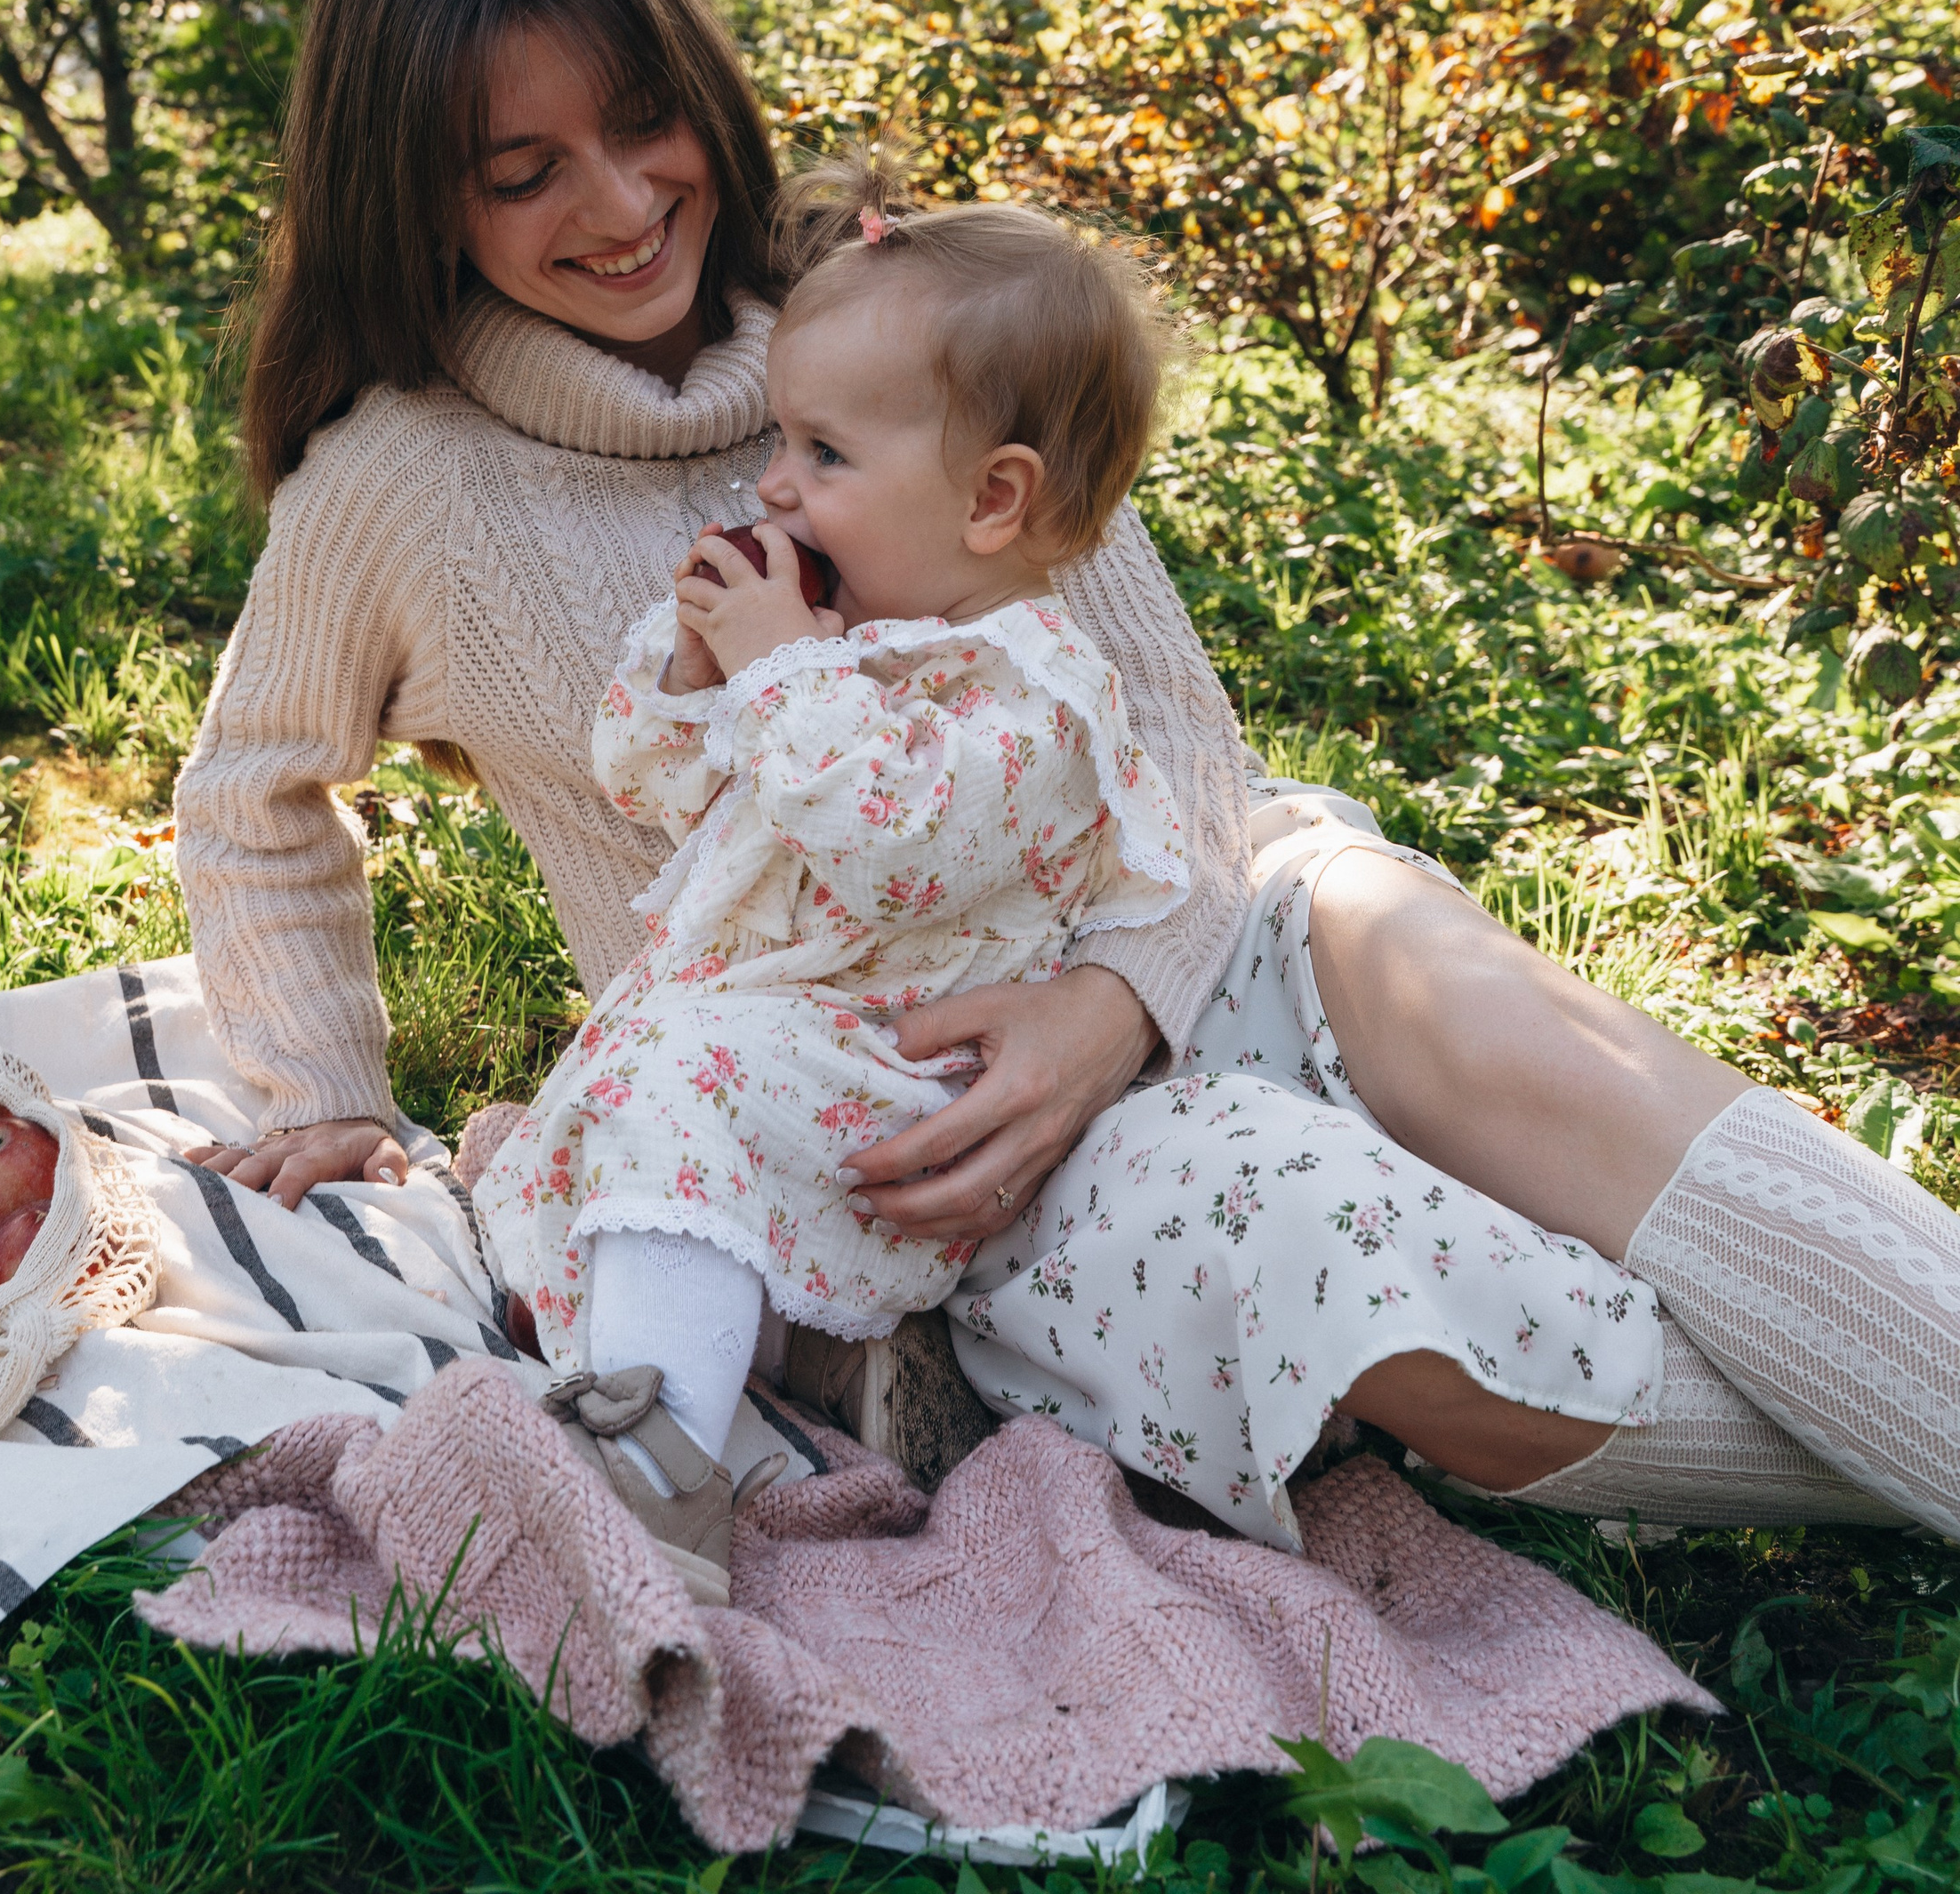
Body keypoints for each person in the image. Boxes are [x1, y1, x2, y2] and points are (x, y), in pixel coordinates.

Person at [178, 0, 1960, 1564]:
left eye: (643, 121)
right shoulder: (399, 488)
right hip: (891, 1099)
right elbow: (253, 789)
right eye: (521, 171)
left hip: (1178, 923)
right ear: (412, 190)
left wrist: (1115, 1000)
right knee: (1367, 1310)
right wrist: (323, 1080)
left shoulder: (888, 319)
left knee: (1437, 976)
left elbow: (1181, 749)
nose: (625, 199)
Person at [469, 158, 1668, 1593]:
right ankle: (763, 1380)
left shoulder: (1037, 693)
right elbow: (655, 784)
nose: (776, 486)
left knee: (676, 1106)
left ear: (994, 501)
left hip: (905, 1070)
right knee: (617, 1133)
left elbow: (895, 847)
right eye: (782, 441)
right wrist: (690, 670)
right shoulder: (857, 640)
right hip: (797, 1040)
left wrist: (780, 666)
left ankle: (650, 1465)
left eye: (825, 456)